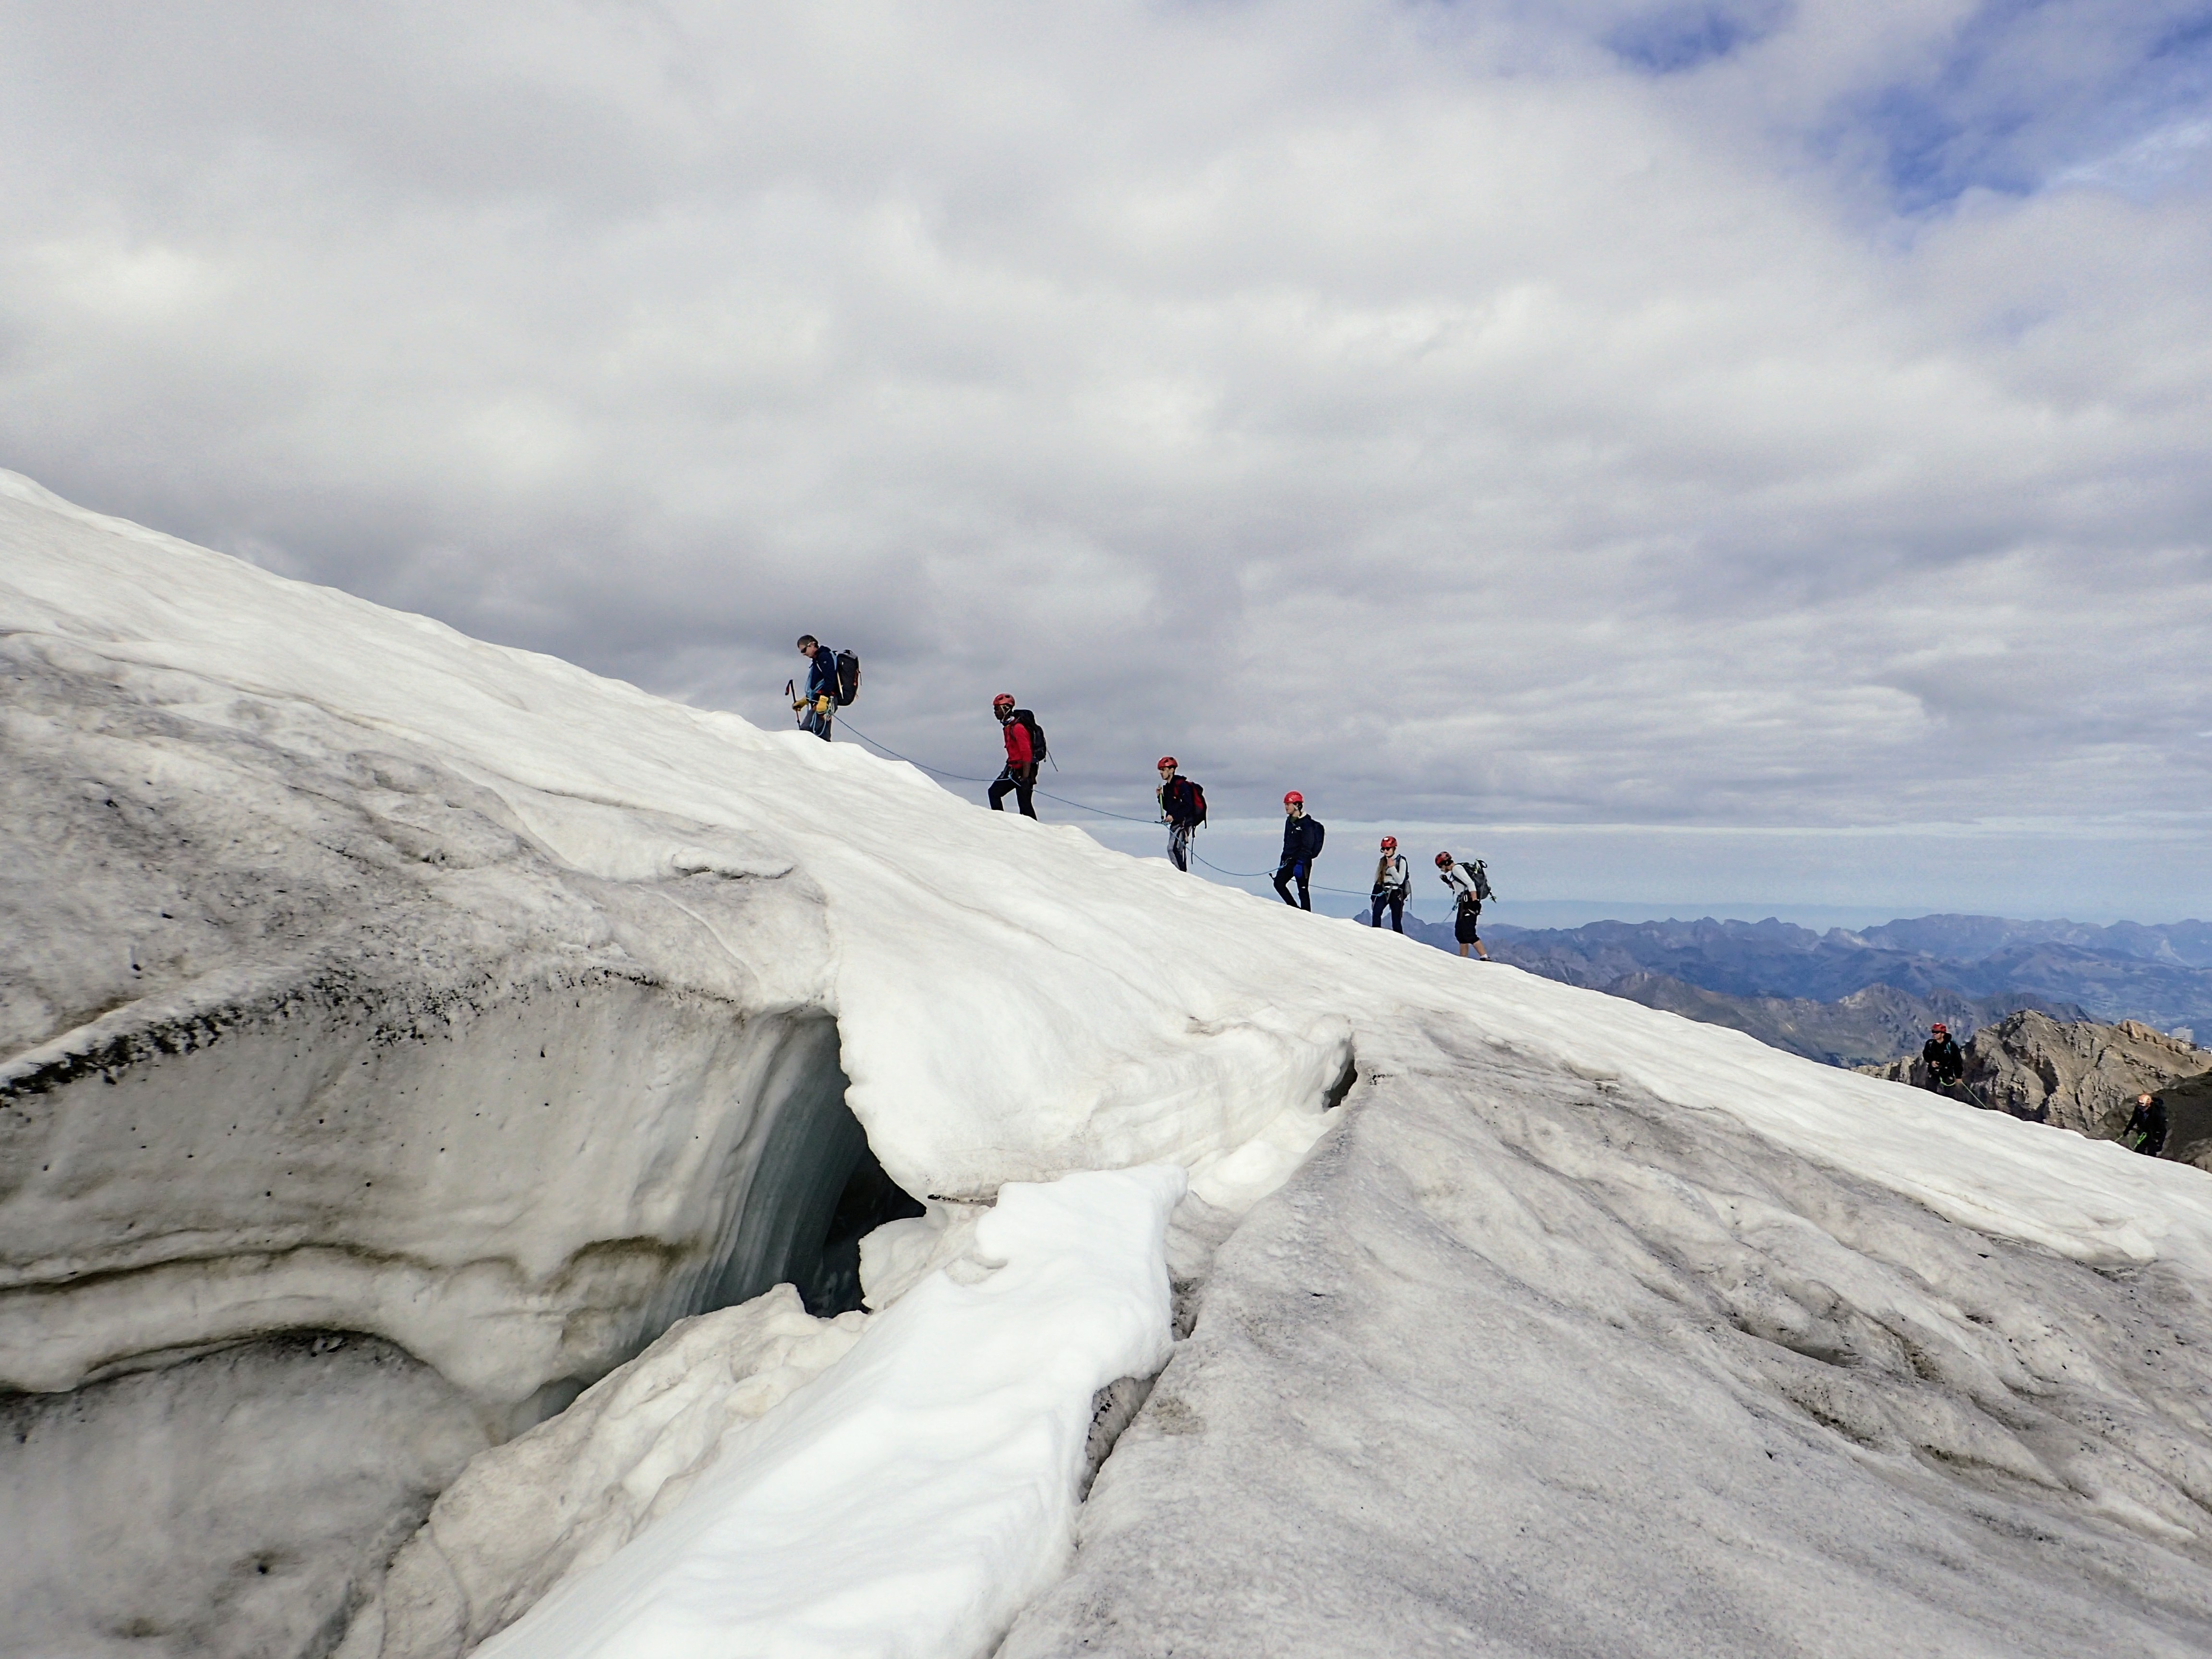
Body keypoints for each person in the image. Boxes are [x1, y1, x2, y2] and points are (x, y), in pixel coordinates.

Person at [987, 694, 1037, 818]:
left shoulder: (1018, 728)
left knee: (1025, 806)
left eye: (997, 709)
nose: (995, 712)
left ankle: (1036, 834)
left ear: (1005, 709)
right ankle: (1001, 822)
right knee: (994, 793)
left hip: (1024, 771)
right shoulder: (1008, 727)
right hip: (1013, 769)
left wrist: (1025, 778)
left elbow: (1027, 753)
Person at [1273, 792, 1324, 910]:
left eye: (1288, 804)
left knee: (1303, 890)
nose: (1286, 807)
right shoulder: (1289, 821)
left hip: (1302, 862)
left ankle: (1306, 915)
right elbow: (1286, 843)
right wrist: (1283, 861)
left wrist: (1301, 863)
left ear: (1297, 805)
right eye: (1286, 804)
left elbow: (1308, 845)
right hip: (1289, 861)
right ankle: (1295, 910)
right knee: (1279, 884)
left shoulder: (1307, 824)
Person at [1435, 852, 1489, 959]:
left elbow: (1470, 884)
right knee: (1460, 934)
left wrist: (1475, 902)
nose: (1441, 869)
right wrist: (1447, 882)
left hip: (1469, 903)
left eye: (1440, 866)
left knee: (1469, 933)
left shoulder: (1457, 869)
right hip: (1464, 903)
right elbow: (1459, 888)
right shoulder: (1455, 872)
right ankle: (1463, 959)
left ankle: (1485, 958)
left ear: (1445, 863)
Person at [1156, 757, 1202, 871]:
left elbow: (1189, 805)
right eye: (1160, 770)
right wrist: (1160, 797)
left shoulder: (1181, 785)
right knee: (1176, 849)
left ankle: (1181, 875)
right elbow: (1168, 807)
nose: (1161, 772)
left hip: (1184, 823)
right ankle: (1182, 874)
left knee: (1173, 849)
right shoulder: (1168, 787)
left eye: (1163, 769)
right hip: (1176, 822)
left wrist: (1174, 816)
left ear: (1172, 770)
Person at [793, 635, 839, 741]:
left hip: (825, 700)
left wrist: (824, 699)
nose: (804, 654)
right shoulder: (817, 660)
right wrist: (805, 701)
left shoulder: (824, 657)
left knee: (807, 731)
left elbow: (830, 679)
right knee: (822, 735)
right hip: (821, 700)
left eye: (804, 650)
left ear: (813, 645)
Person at [1369, 835, 1410, 932]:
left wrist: (1392, 868)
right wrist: (1373, 897)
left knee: (1396, 918)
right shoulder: (1382, 861)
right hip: (1384, 890)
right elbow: (1378, 880)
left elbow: (1400, 880)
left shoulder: (1401, 861)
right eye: (1383, 849)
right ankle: (1376, 934)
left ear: (1394, 848)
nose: (1385, 851)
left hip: (1397, 892)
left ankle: (1400, 940)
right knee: (1376, 912)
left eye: (1388, 849)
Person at [1921, 1023, 1965, 1095]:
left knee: (1950, 1096)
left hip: (1948, 1074)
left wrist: (1958, 1076)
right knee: (1929, 1093)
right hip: (1934, 1072)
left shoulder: (1951, 1046)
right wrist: (1932, 1062)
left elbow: (1958, 1061)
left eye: (1937, 1032)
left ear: (1943, 1034)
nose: (1934, 1034)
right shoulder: (1930, 1044)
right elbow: (1926, 1055)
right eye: (1933, 1032)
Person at [2124, 1092, 2168, 1158]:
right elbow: (2134, 1119)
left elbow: (2162, 1129)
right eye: (2139, 1106)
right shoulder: (2138, 1109)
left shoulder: (2157, 1114)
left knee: (2151, 1153)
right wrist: (2127, 1130)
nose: (2141, 1109)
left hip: (2154, 1135)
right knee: (2139, 1150)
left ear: (2148, 1105)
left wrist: (2159, 1143)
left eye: (2142, 1107)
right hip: (2144, 1132)